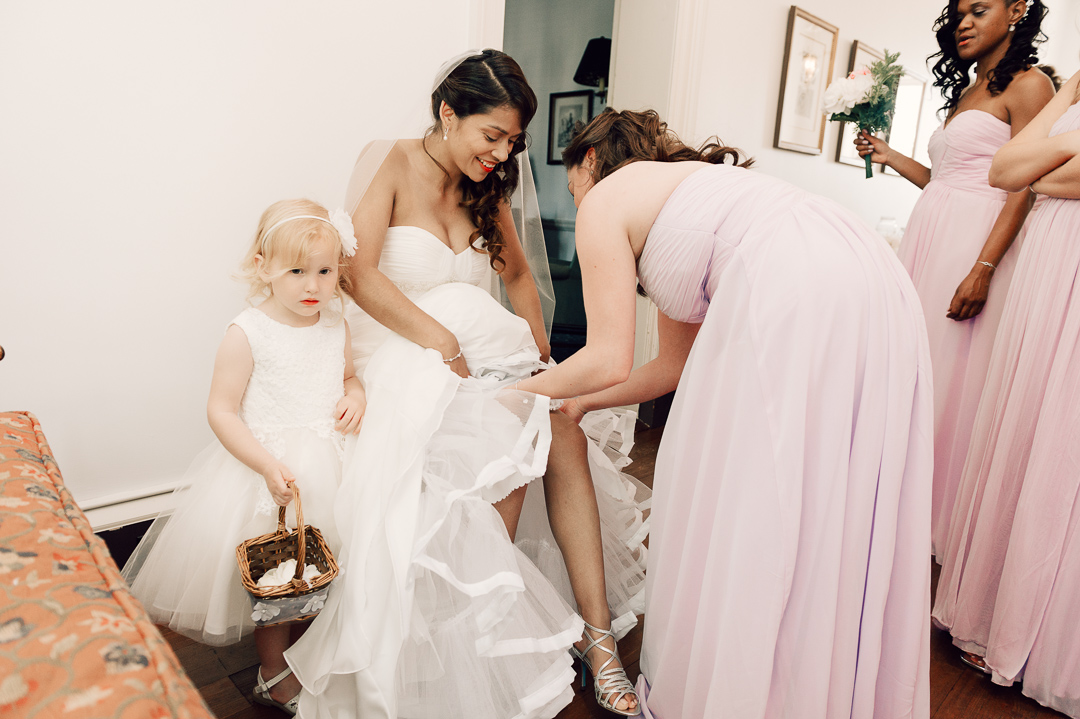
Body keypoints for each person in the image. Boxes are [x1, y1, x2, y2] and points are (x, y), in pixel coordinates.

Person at [515, 108, 934, 718]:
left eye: (573, 180)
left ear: (589, 161)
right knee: (826, 493)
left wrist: (512, 393)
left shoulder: (608, 198)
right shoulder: (686, 197)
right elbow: (670, 366)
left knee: (750, 491)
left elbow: (607, 356)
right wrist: (573, 399)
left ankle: (746, 688)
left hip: (797, 281)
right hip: (869, 272)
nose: (576, 198)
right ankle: (811, 683)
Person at [284, 51, 647, 718]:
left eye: (513, 141)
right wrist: (439, 340)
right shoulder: (388, 160)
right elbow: (358, 276)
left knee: (558, 420)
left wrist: (539, 344)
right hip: (398, 349)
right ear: (448, 114)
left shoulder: (490, 187)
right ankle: (477, 630)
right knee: (501, 432)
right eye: (493, 136)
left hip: (475, 355)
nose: (503, 152)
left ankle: (600, 646)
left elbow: (514, 276)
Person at [122, 199, 366, 714]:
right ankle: (273, 673)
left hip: (334, 468)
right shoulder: (247, 332)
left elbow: (346, 375)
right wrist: (264, 465)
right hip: (269, 471)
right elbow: (222, 411)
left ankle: (312, 657)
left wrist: (356, 394)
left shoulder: (335, 324)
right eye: (297, 271)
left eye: (325, 271)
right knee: (275, 586)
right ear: (263, 266)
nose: (312, 286)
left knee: (324, 575)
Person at [855, 0, 1053, 559]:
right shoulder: (969, 89)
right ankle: (899, 509)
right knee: (922, 375)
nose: (962, 23)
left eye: (979, 9)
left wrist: (983, 269)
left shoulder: (1030, 85)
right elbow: (944, 182)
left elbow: (1024, 187)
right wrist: (891, 157)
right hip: (930, 240)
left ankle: (937, 527)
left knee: (956, 383)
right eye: (958, 12)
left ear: (1016, 10)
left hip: (975, 250)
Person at [930, 69, 1080, 716]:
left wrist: (1037, 172)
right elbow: (1005, 169)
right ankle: (998, 609)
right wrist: (1071, 98)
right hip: (1045, 279)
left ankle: (1038, 633)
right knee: (1021, 435)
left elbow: (1022, 171)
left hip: (1069, 281)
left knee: (1060, 446)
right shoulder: (1071, 91)